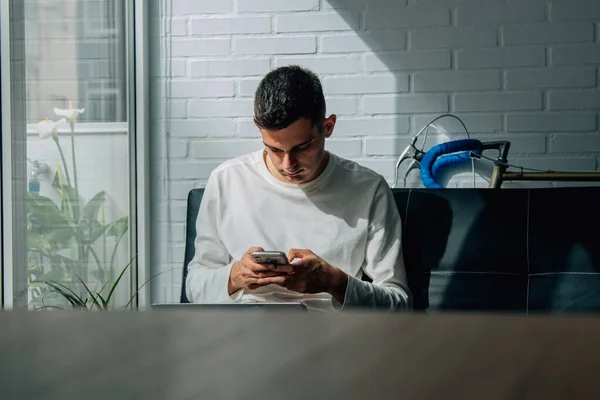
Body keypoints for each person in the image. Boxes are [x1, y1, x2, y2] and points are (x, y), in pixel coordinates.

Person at [185, 65, 412, 311]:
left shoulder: (368, 189)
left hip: (328, 341)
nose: (287, 164)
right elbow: (195, 287)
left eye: (302, 147)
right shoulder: (226, 180)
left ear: (328, 127)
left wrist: (334, 282)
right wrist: (235, 276)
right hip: (245, 336)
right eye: (274, 149)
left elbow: (399, 303)